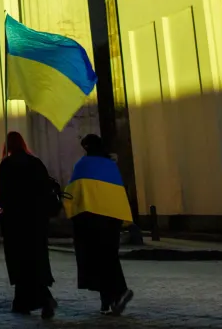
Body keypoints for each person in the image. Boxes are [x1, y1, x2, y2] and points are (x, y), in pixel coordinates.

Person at [65, 134, 134, 316]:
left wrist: (67, 208)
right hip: (112, 219)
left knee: (96, 257)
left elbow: (74, 192)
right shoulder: (110, 165)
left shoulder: (83, 164)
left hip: (92, 218)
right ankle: (109, 302)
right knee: (109, 255)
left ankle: (118, 292)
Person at [0, 130, 57, 318]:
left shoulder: (7, 165)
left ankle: (38, 299)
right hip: (37, 220)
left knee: (20, 260)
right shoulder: (36, 163)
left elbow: (4, 194)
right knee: (36, 258)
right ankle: (25, 300)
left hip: (16, 221)